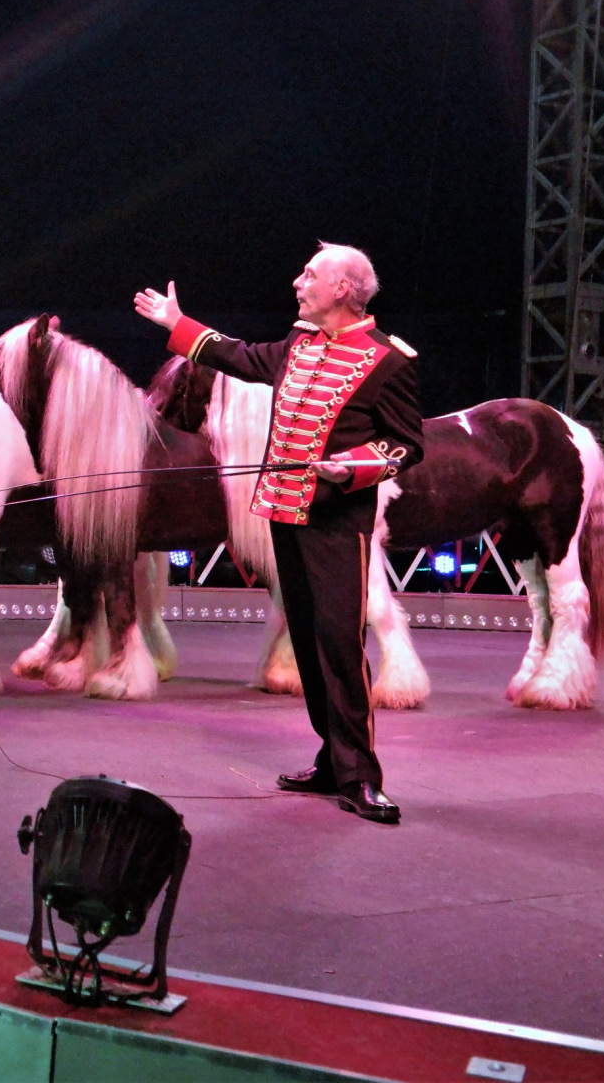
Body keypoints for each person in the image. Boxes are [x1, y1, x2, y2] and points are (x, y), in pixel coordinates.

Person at [134, 243, 422, 823]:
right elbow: (237, 355)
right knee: (309, 648)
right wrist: (177, 324)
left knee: (339, 647)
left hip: (336, 522)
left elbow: (405, 444)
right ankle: (332, 759)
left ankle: (361, 775)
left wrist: (352, 466)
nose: (297, 282)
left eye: (310, 274)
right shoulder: (297, 344)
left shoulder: (387, 360)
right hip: (286, 513)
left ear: (343, 288)